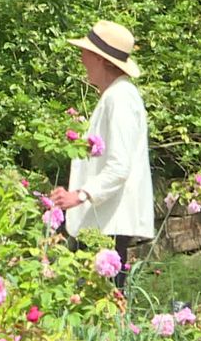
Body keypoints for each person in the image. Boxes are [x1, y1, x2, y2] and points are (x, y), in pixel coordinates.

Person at [51, 20, 154, 288]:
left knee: (103, 308)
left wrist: (80, 195)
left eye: (85, 53)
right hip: (103, 220)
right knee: (101, 308)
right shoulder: (116, 96)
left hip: (108, 222)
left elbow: (120, 166)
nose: (82, 59)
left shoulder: (120, 98)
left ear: (99, 58)